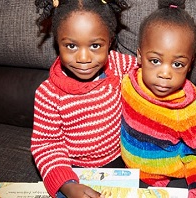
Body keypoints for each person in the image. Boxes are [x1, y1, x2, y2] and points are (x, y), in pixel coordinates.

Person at [31, 0, 135, 197]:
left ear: (110, 40)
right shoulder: (48, 94)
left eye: (95, 45)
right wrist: (67, 184)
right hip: (72, 171)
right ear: (57, 42)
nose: (84, 58)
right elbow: (46, 146)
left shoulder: (118, 65)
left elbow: (153, 78)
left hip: (122, 162)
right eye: (71, 45)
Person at [120, 0, 196, 197]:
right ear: (139, 57)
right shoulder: (128, 81)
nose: (165, 73)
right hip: (129, 172)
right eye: (155, 61)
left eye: (177, 64)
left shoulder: (186, 112)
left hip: (171, 180)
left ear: (190, 65)